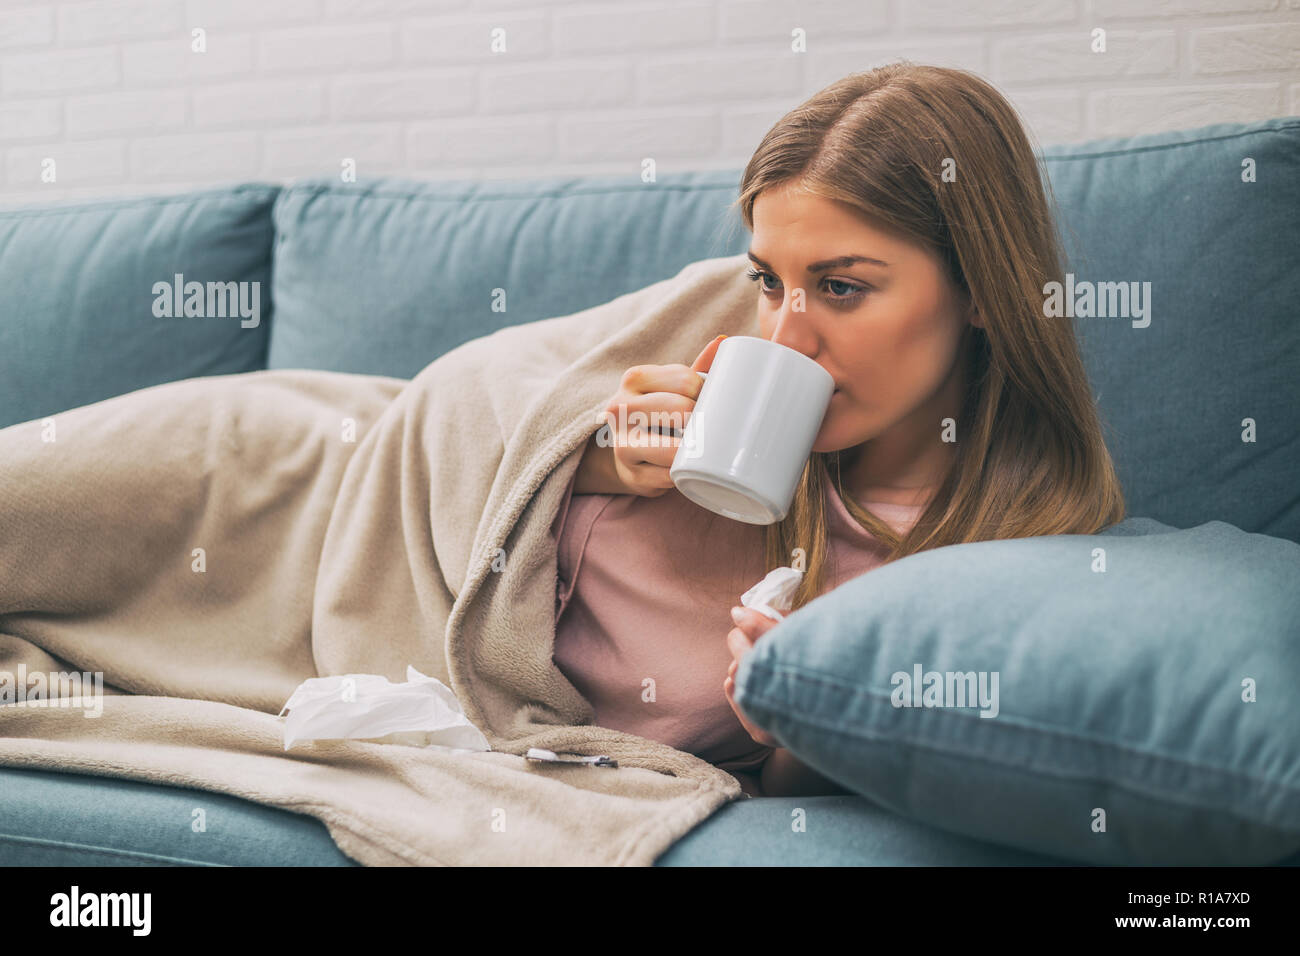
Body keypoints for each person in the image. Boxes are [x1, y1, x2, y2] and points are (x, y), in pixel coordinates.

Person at [551, 62, 1126, 798]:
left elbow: (795, 790)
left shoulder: (1001, 565)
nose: (785, 339)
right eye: (766, 281)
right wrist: (586, 457)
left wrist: (803, 722)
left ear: (980, 292)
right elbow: (477, 426)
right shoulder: (707, 383)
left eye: (841, 288)